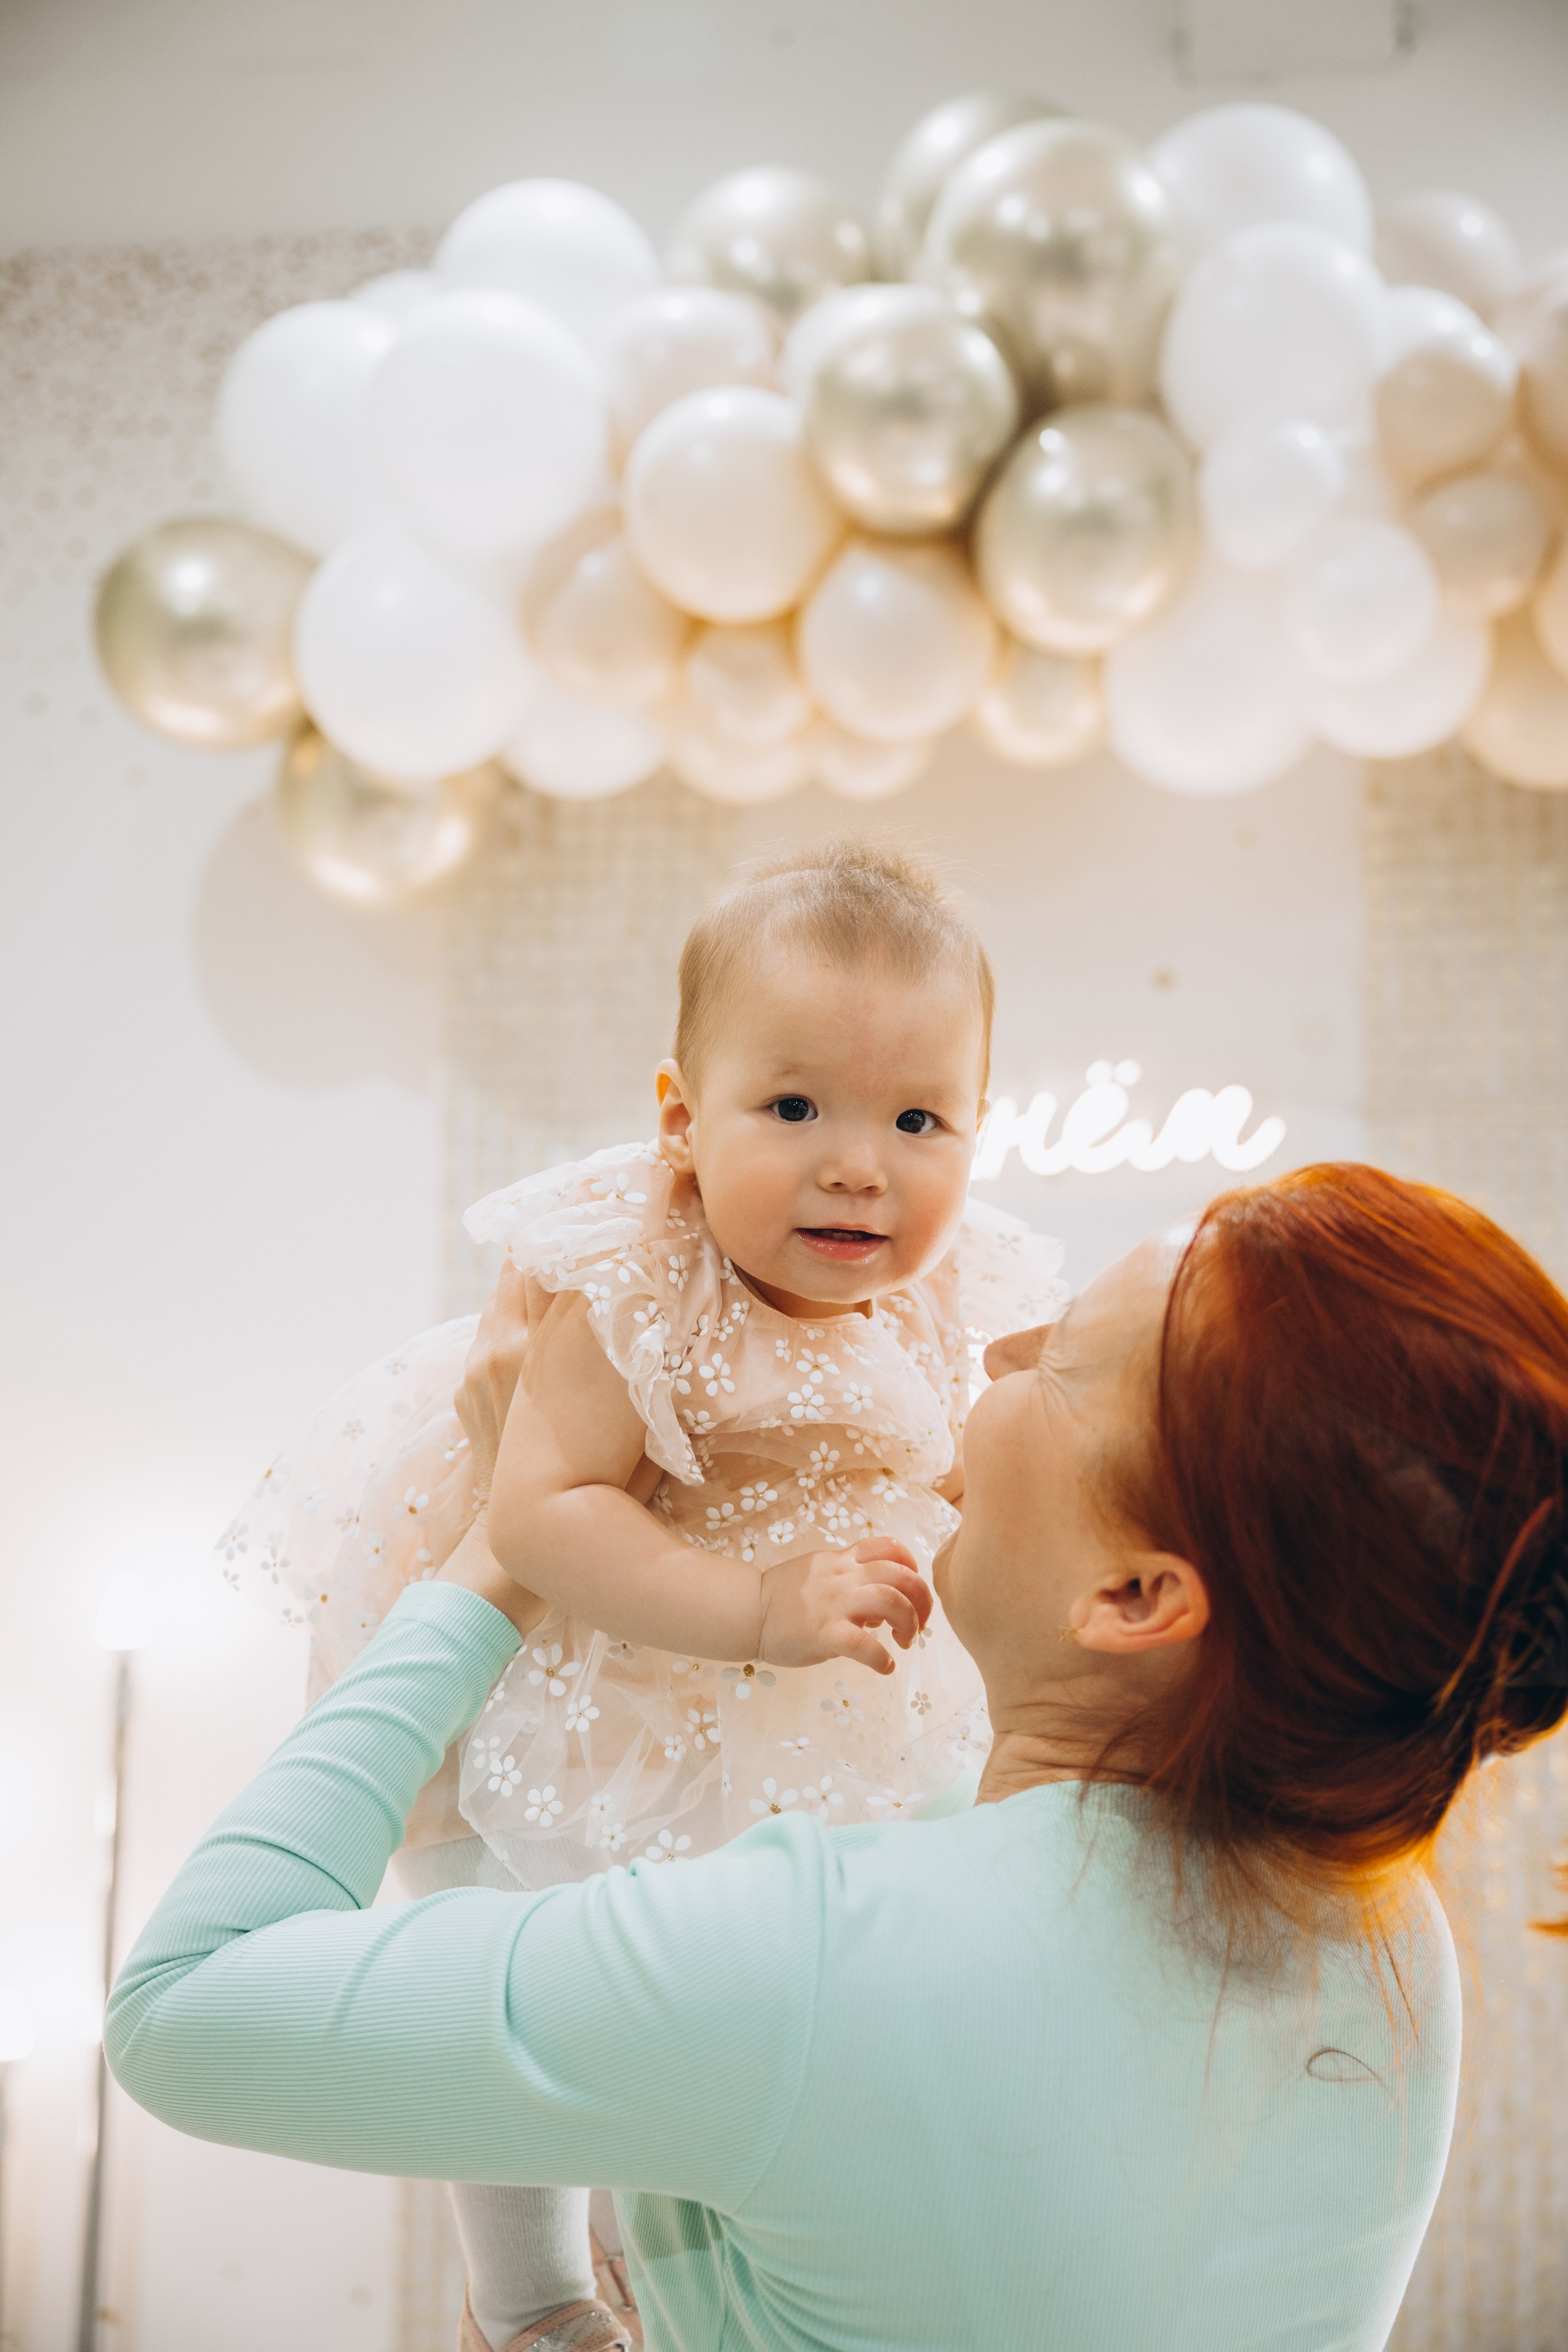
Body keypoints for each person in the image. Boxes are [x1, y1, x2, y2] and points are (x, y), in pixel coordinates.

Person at [111, 1161, 1568, 2352]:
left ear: (1134, 1598)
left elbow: (179, 2010)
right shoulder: (1384, 1942)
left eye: (1057, 1357)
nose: (993, 1352)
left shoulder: (821, 1959)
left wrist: (501, 1545)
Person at [217, 840, 1065, 2349]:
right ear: (680, 1118)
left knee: (735, 2005)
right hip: (576, 1666)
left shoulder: (947, 1286)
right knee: (512, 1988)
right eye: (792, 1108)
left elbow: (938, 1455)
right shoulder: (637, 1280)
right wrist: (754, 1610)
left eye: (916, 1119)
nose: (857, 1163)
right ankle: (527, 2297)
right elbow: (543, 1513)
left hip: (787, 1697)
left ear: (977, 1129)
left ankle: (680, 2260)